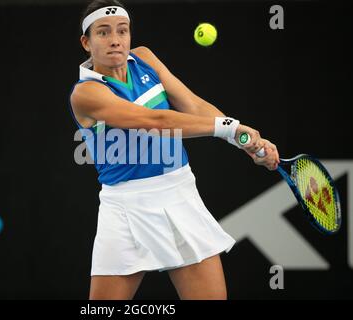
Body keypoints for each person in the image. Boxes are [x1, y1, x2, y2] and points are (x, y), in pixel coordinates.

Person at [69, 0, 280, 300]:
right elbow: (157, 121)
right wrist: (230, 128)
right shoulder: (86, 93)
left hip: (179, 193)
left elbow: (192, 105)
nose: (115, 39)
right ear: (86, 43)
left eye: (122, 31)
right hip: (126, 207)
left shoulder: (144, 58)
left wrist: (243, 139)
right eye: (103, 33)